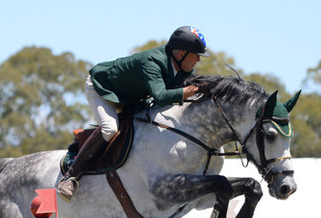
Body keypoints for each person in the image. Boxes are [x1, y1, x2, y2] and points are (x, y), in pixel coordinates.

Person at [56, 26, 210, 201]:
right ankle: (70, 177)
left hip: (132, 96)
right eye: (196, 54)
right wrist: (189, 91)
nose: (198, 59)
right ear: (181, 53)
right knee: (110, 129)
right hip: (104, 89)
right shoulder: (153, 61)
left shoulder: (183, 68)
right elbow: (160, 97)